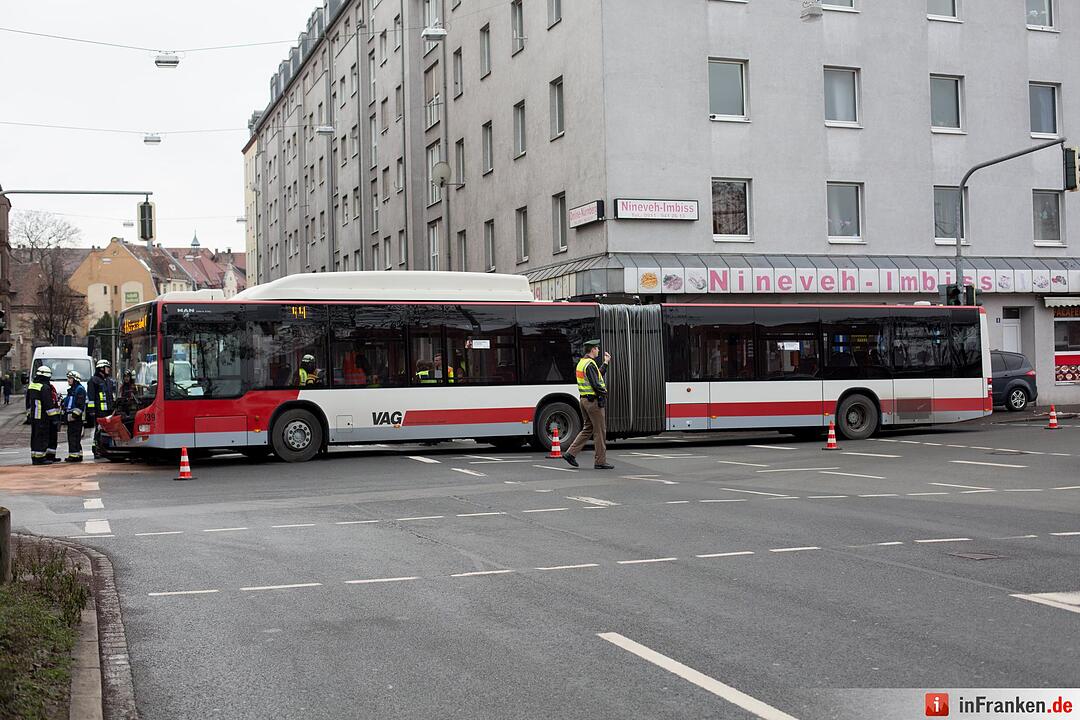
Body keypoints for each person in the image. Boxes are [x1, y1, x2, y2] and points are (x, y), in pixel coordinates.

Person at [564, 340, 613, 470]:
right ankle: (600, 461)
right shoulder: (590, 364)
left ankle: (570, 453)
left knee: (588, 428)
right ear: (592, 349)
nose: (598, 350)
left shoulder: (582, 363)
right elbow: (596, 383)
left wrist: (605, 363)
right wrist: (604, 393)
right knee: (600, 431)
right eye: (597, 348)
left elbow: (596, 376)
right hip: (593, 402)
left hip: (584, 400)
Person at [26, 365, 62, 465]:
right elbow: (48, 404)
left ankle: (35, 456)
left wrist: (29, 415)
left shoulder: (32, 386)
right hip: (42, 417)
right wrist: (54, 418)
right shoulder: (45, 387)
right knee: (42, 437)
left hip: (34, 416)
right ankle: (40, 458)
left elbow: (28, 402)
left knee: (35, 436)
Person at [85, 359, 116, 456]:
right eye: (107, 368)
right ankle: (96, 448)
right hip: (99, 411)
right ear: (101, 368)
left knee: (108, 430)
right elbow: (91, 398)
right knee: (99, 430)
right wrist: (92, 411)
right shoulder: (93, 380)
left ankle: (106, 447)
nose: (109, 369)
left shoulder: (109, 381)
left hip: (109, 411)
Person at [63, 370, 87, 462]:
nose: (68, 380)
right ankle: (78, 454)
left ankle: (73, 456)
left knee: (73, 437)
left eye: (70, 378)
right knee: (74, 437)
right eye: (68, 378)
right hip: (71, 417)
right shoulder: (72, 390)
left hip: (76, 418)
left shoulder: (79, 389)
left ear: (75, 379)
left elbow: (80, 405)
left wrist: (74, 416)